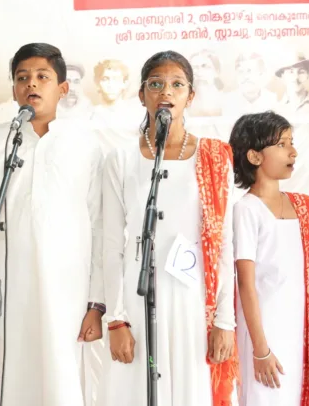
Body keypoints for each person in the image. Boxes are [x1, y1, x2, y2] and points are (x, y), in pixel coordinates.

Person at [0, 43, 105, 406]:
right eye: (22, 78)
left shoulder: (85, 144)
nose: (31, 84)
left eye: (42, 77)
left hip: (67, 291)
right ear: (13, 90)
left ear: (63, 88)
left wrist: (97, 304)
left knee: (60, 381)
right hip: (6, 290)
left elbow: (99, 225)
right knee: (7, 382)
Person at [102, 51, 238, 405]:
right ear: (141, 94)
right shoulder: (120, 159)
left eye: (177, 85)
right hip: (138, 296)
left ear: (190, 96)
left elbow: (224, 243)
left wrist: (224, 320)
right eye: (156, 84)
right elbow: (111, 245)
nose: (166, 91)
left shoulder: (213, 156)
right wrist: (116, 319)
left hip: (192, 298)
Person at [228, 111, 309, 406]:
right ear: (255, 156)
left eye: (292, 142)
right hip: (264, 333)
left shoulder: (301, 206)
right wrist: (260, 349)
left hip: (297, 329)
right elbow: (245, 285)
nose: (293, 151)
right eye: (282, 144)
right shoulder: (247, 209)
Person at [222, 53, 277, 117]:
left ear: (260, 73)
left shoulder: (272, 99)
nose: (245, 77)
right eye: (240, 72)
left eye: (249, 71)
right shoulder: (228, 101)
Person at [274, 51, 309, 116]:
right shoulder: (277, 110)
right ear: (282, 77)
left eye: (301, 72)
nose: (296, 77)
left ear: (308, 75)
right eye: (291, 72)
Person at [187, 50, 224, 117]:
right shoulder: (184, 102)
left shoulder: (226, 100)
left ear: (217, 71)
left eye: (204, 66)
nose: (198, 72)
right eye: (194, 67)